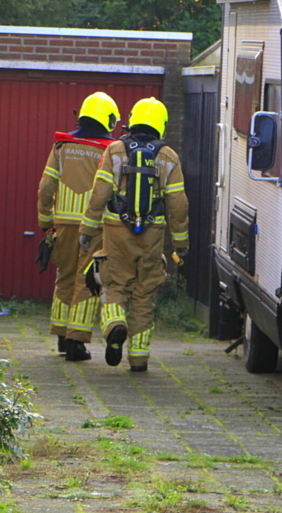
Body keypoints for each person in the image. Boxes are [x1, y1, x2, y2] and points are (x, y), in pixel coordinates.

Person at [79, 97, 189, 372]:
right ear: (160, 124)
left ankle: (115, 326)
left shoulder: (115, 150)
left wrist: (87, 229)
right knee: (144, 292)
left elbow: (100, 193)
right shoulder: (169, 156)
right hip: (152, 235)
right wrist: (180, 242)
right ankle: (139, 358)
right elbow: (178, 203)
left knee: (115, 285)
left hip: (116, 232)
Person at [37, 91, 119, 361]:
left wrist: (45, 220)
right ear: (108, 119)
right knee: (88, 281)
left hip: (63, 223)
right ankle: (77, 342)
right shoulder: (110, 150)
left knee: (65, 276)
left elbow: (46, 186)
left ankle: (61, 336)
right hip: (94, 226)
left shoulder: (62, 146)